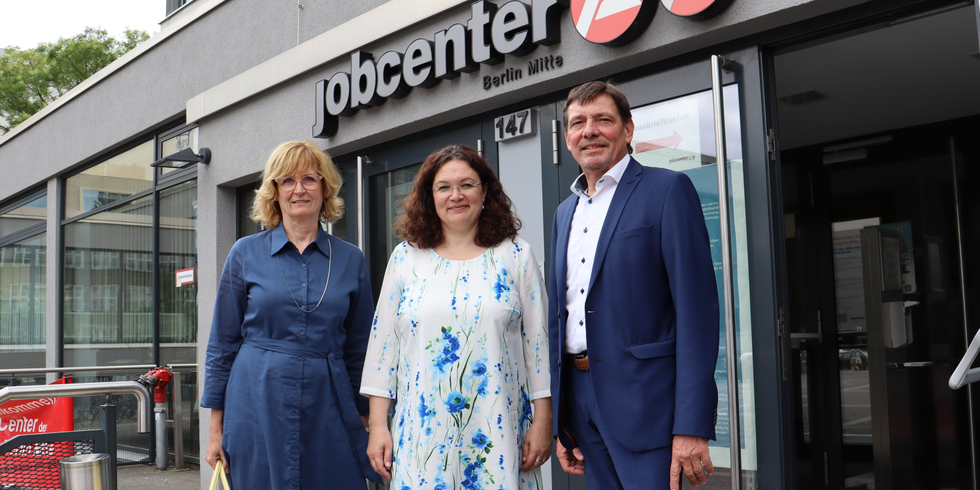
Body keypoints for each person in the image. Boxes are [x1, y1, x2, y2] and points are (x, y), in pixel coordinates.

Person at [549, 81, 720, 490]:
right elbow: (562, 313)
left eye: (602, 120)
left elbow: (697, 314)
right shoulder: (563, 212)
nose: (588, 131)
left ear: (628, 130)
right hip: (580, 398)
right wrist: (561, 419)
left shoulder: (666, 190)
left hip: (648, 404)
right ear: (568, 139)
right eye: (577, 123)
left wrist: (691, 423)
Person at [361, 144, 552, 490]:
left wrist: (543, 420)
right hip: (422, 435)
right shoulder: (405, 259)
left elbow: (538, 344)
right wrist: (378, 426)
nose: (456, 195)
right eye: (444, 187)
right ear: (429, 196)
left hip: (499, 431)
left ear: (485, 192)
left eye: (467, 184)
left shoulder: (516, 255)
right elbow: (383, 347)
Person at [201, 141, 380, 489]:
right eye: (287, 180)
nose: (299, 189)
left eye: (310, 179)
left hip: (329, 402)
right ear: (274, 192)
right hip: (255, 400)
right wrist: (214, 430)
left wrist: (364, 420)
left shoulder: (351, 258)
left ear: (325, 188)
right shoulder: (244, 253)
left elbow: (361, 347)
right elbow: (222, 345)